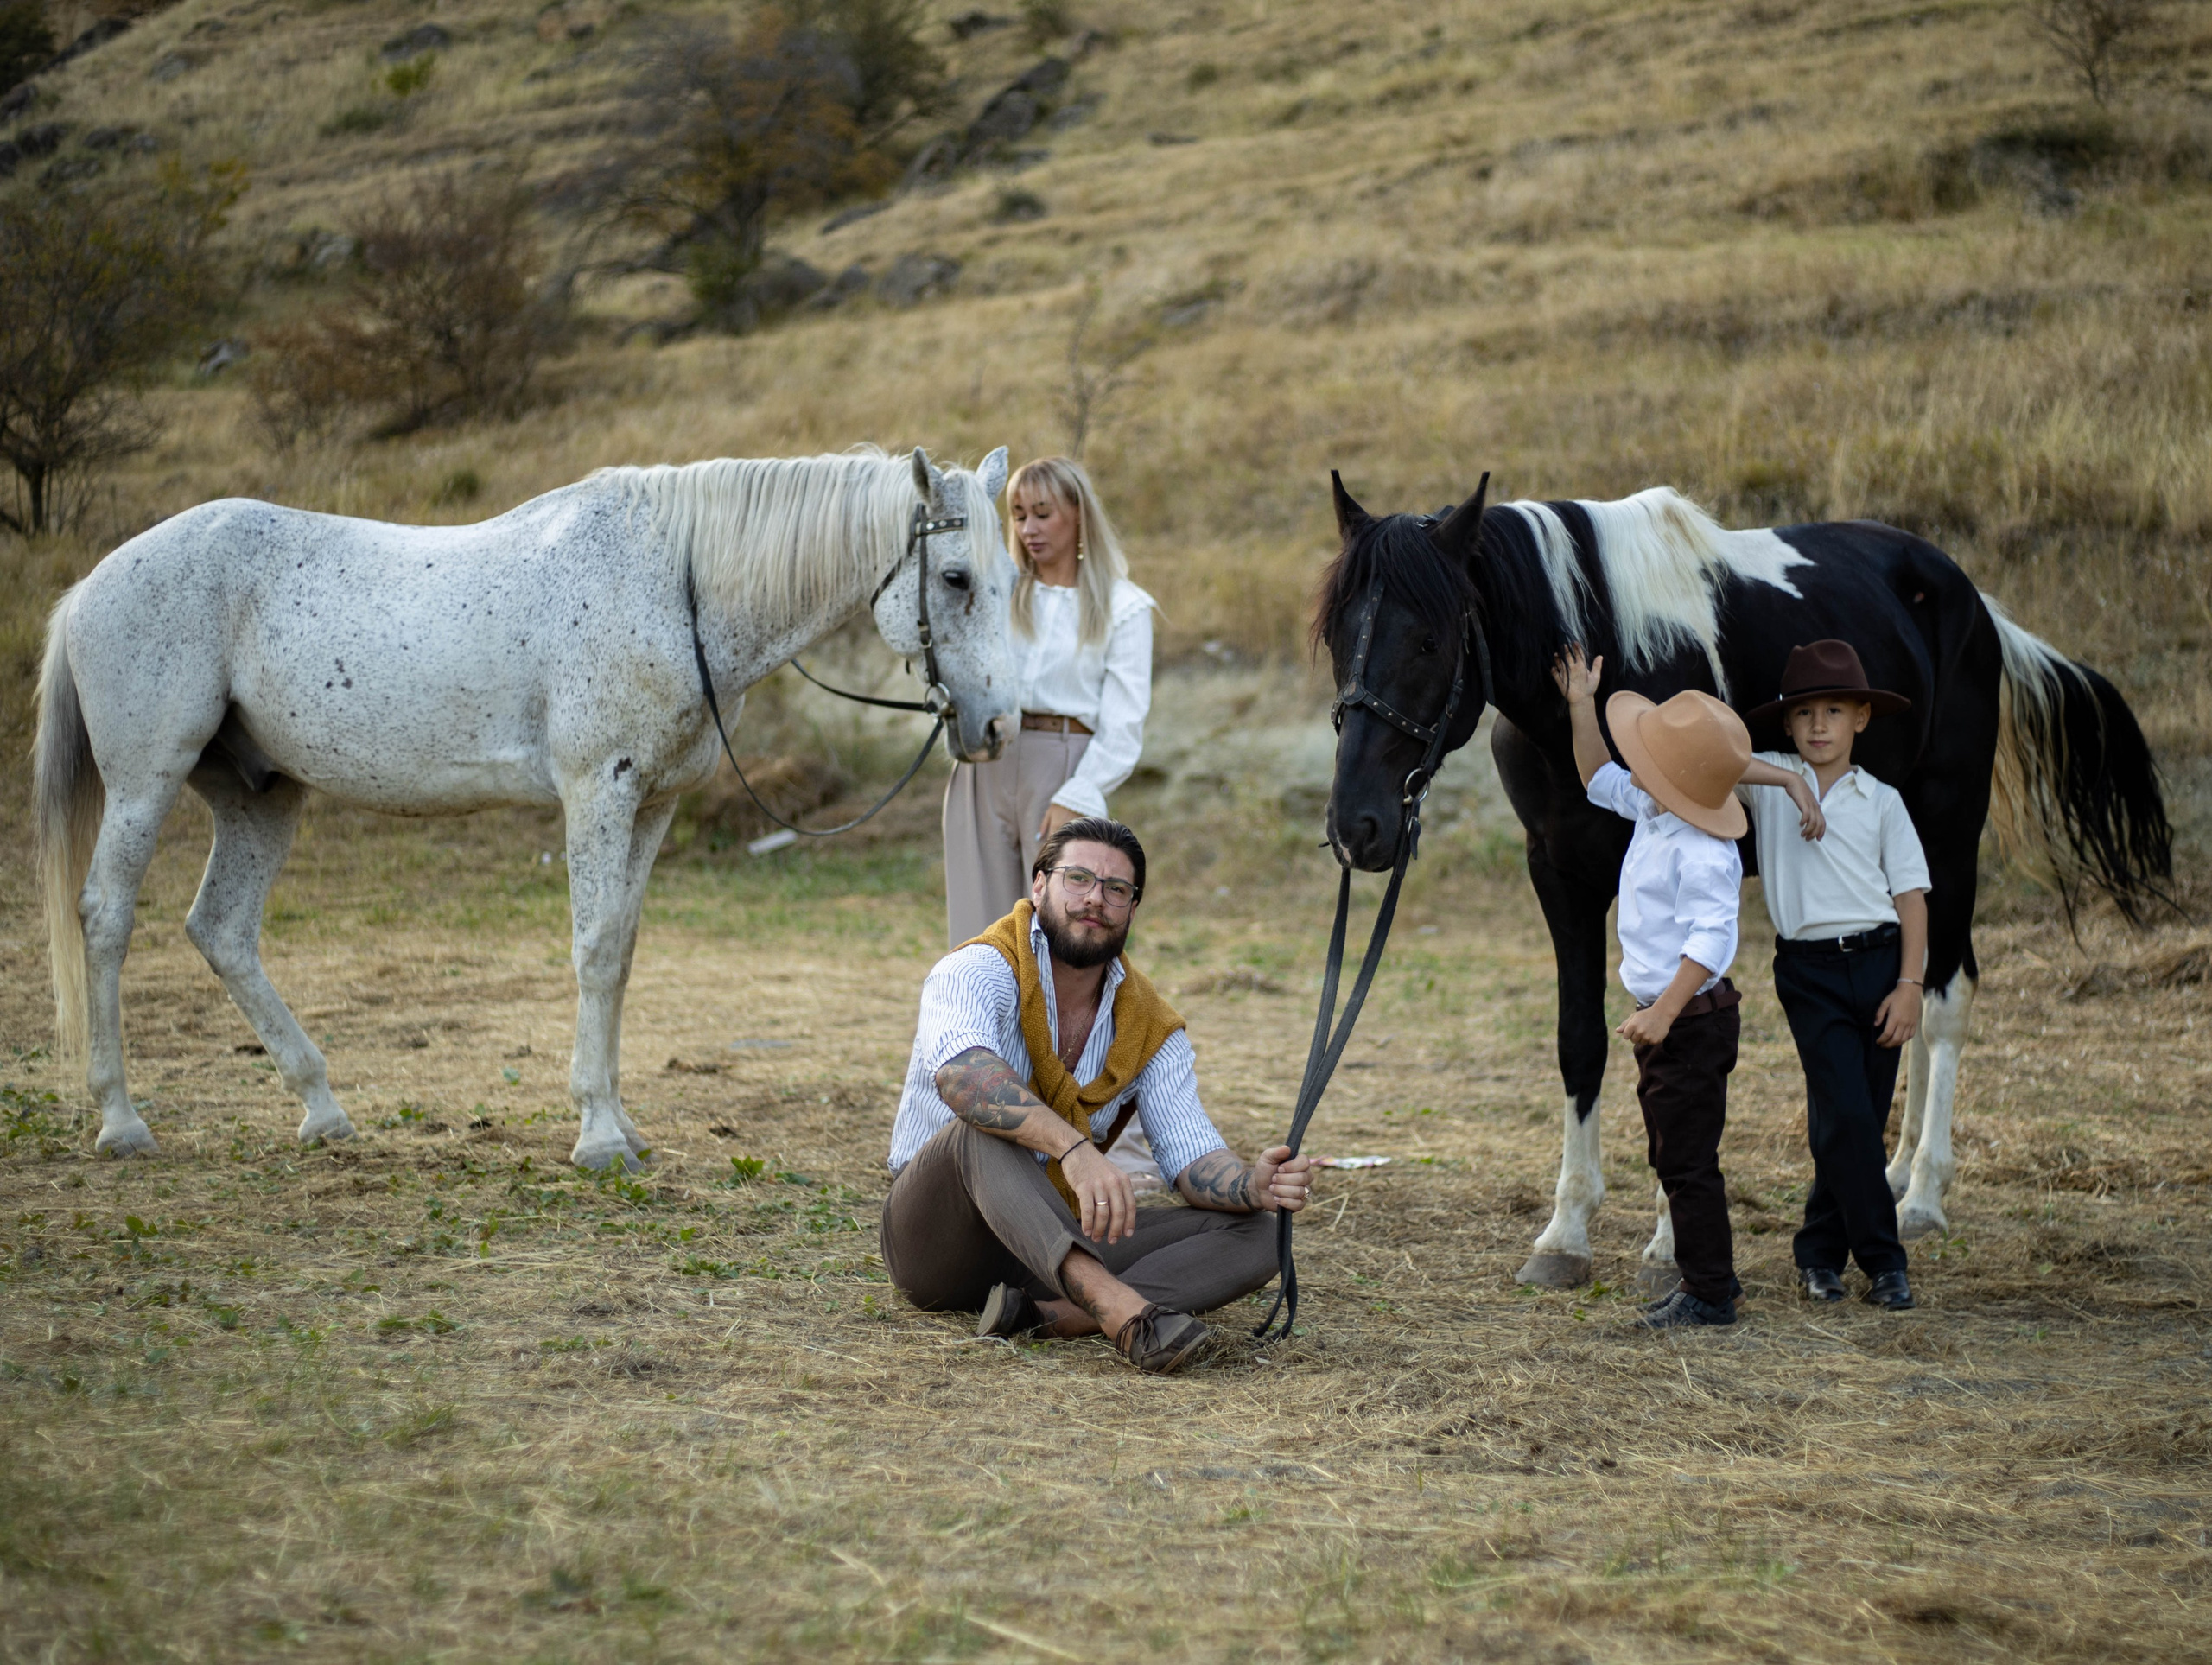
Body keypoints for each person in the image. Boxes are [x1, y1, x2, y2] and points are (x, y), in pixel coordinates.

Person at [882, 816, 1314, 1373]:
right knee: (981, 1126)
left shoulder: (1149, 1025)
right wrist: (1075, 1150)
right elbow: (964, 1079)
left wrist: (1251, 1185)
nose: (1096, 900)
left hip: (1047, 1245)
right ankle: (1118, 1311)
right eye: (1078, 879)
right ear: (1039, 885)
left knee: (1261, 1235)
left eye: (1117, 889)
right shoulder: (977, 967)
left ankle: (1049, 1317)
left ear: (1133, 908)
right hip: (939, 1239)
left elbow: (1191, 1157)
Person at [1554, 648, 1821, 1329]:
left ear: (1677, 775)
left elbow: (1711, 940)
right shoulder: (1652, 805)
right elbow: (1594, 775)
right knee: (1674, 1151)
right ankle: (1713, 1280)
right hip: (1670, 1017)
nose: (1634, 767)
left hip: (1690, 1019)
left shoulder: (1703, 849)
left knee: (1690, 1159)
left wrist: (1664, 1013)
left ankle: (1709, 1289)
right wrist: (1583, 702)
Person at [1740, 640, 1930, 1312]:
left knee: (1852, 1121)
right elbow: (1710, 755)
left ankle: (1819, 1253)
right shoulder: (1767, 784)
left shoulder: (1881, 801)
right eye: (1805, 713)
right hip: (1809, 973)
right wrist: (1789, 781)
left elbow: (1911, 899)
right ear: (1787, 726)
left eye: (1835, 710)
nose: (1819, 725)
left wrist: (1910, 987)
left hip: (1882, 966)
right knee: (1847, 1114)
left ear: (1862, 719)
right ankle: (1885, 1261)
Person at [942, 456, 1154, 948]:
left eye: (1042, 513)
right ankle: (974, 1026)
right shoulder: (996, 593)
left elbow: (1124, 725)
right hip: (984, 765)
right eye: (1018, 515)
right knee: (978, 933)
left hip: (1064, 771)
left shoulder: (1124, 606)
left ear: (1077, 513)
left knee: (1059, 931)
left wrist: (1078, 795)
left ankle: (1052, 1028)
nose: (1028, 528)